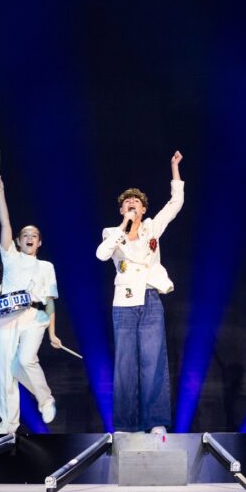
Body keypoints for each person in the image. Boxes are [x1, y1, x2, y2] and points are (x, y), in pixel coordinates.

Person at [96, 151, 184, 434]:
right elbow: (101, 255)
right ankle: (125, 424)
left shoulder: (151, 228)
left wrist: (174, 169)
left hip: (150, 298)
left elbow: (176, 203)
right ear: (121, 210)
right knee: (124, 364)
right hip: (123, 302)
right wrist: (123, 226)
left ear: (144, 209)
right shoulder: (111, 232)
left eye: (136, 202)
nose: (131, 204)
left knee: (153, 360)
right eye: (126, 203)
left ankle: (155, 421)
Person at [0, 175, 61, 434]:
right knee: (8, 371)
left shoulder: (46, 267)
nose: (29, 238)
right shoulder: (10, 257)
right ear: (18, 241)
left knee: (25, 359)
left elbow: (51, 301)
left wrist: (53, 333)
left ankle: (45, 399)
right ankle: (9, 423)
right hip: (9, 317)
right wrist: (0, 193)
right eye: (25, 235)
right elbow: (5, 222)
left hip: (36, 317)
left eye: (34, 235)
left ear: (39, 242)